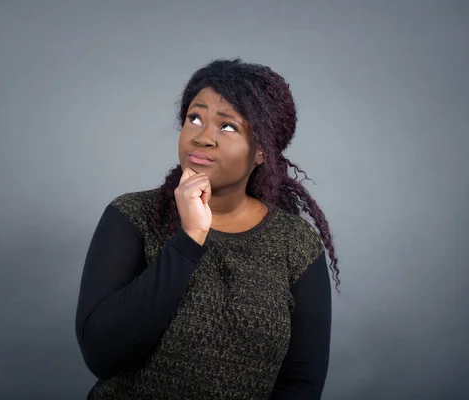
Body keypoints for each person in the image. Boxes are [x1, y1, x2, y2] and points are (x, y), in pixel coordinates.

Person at [75, 58, 340, 399]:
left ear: (261, 151)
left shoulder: (295, 244)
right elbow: (102, 355)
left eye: (227, 126)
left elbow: (300, 384)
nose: (203, 138)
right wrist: (189, 238)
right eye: (194, 118)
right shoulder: (132, 216)